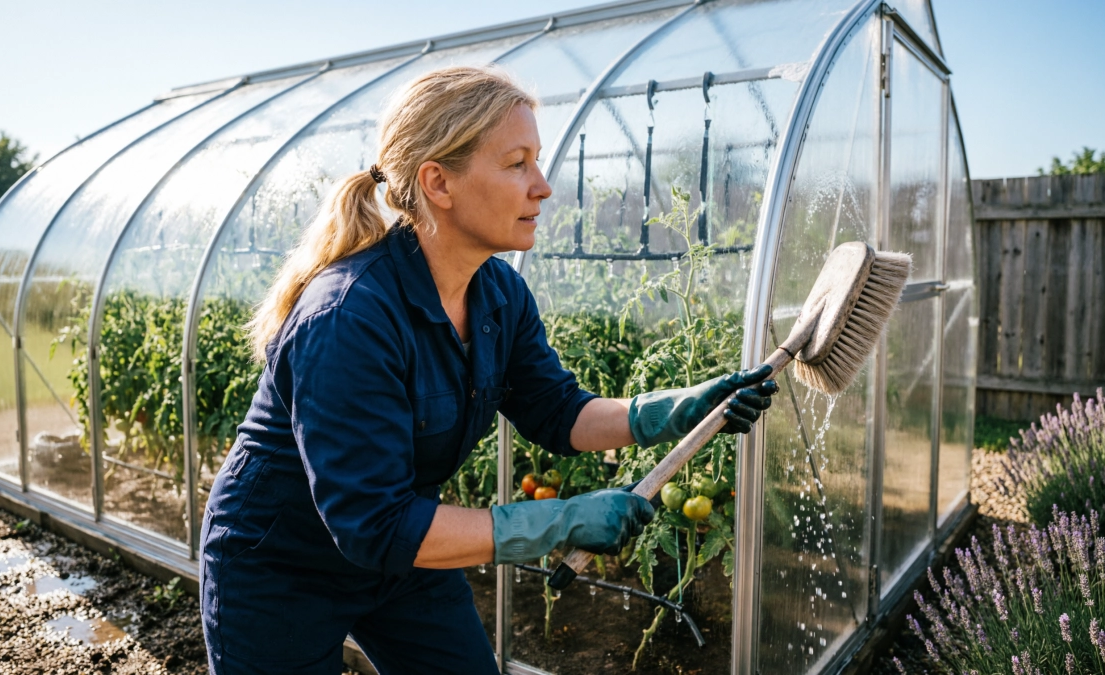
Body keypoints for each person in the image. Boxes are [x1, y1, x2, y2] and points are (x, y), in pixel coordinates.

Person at [199, 65, 778, 675]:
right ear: (438, 183)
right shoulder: (350, 316)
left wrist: (666, 411)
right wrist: (559, 521)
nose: (543, 186)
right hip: (281, 565)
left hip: (407, 552)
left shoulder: (496, 292)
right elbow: (371, 523)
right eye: (517, 163)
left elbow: (556, 410)